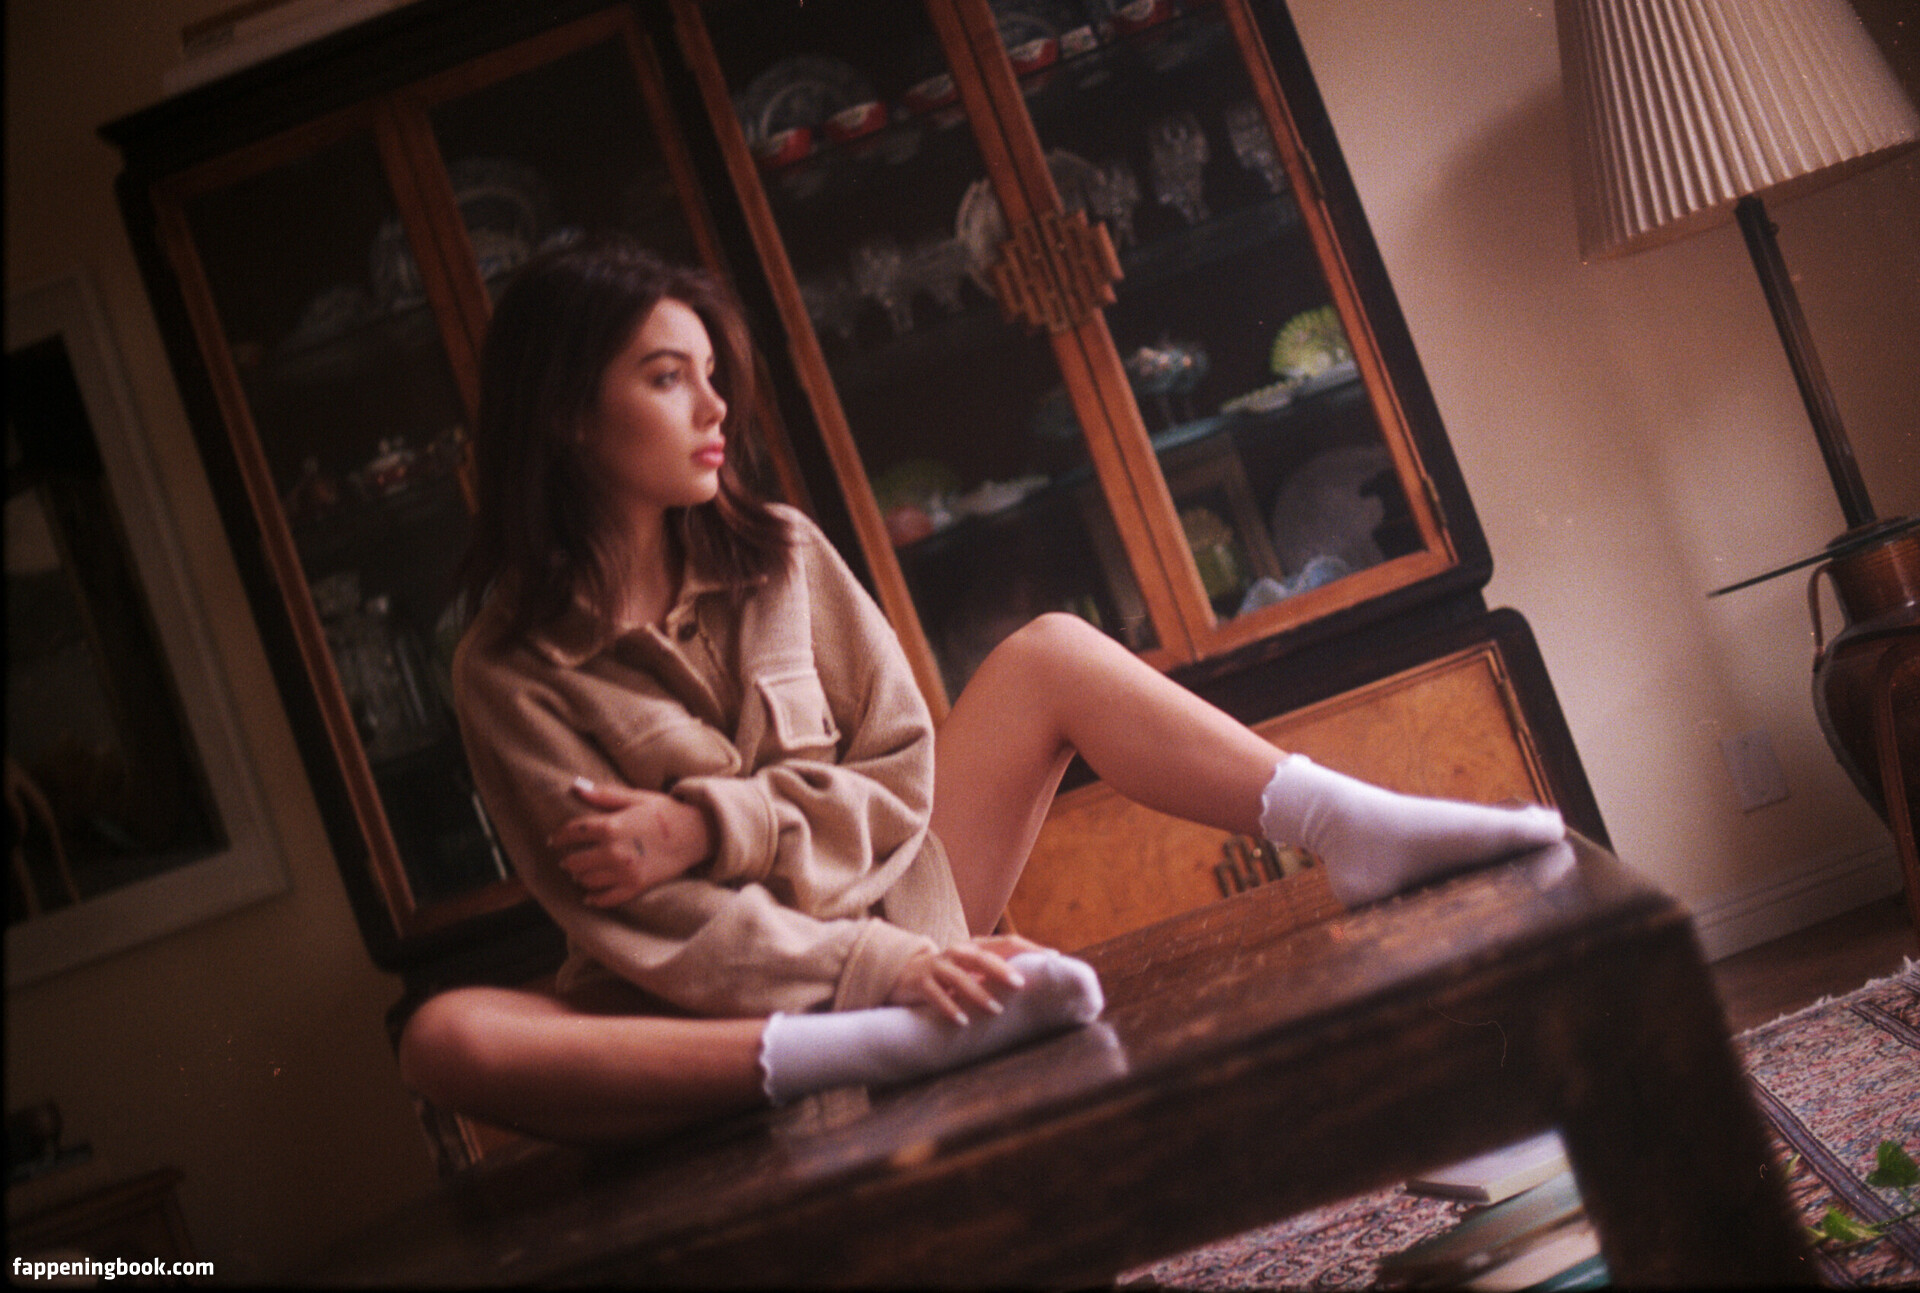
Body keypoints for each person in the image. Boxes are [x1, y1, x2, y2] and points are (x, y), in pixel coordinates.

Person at [397, 240, 1566, 1145]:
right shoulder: (506, 670)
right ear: (566, 411)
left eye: (713, 377)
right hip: (707, 1008)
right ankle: (878, 1044)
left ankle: (1354, 830)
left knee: (1052, 649)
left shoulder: (782, 553)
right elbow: (650, 927)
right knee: (444, 1037)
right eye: (668, 380)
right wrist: (877, 975)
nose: (716, 411)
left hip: (890, 908)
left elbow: (898, 771)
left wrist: (713, 824)